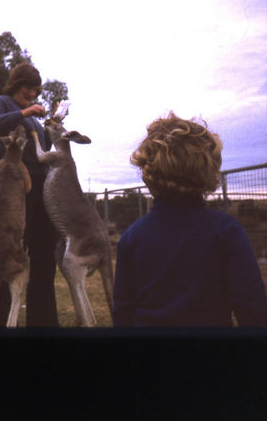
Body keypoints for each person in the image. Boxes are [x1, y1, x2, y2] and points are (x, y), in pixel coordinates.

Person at [113, 111, 267, 327]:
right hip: (213, 357)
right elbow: (252, 309)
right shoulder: (226, 231)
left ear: (148, 172)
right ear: (208, 169)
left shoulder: (131, 238)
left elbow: (123, 313)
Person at [0, 62, 59, 326]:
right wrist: (24, 111)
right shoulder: (2, 103)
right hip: (14, 191)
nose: (33, 94)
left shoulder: (34, 117)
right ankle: (0, 327)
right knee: (8, 257)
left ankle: (44, 325)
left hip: (41, 191)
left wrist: (52, 127)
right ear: (16, 84)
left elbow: (44, 150)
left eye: (36, 90)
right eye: (29, 88)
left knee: (45, 259)